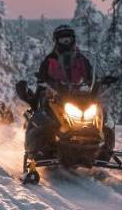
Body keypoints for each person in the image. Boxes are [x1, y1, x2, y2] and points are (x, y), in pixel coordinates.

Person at [16, 25, 97, 157]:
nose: (66, 43)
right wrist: (45, 82)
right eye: (62, 40)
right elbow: (42, 77)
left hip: (78, 96)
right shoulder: (50, 60)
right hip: (55, 96)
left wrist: (98, 83)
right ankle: (36, 149)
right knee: (43, 117)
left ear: (73, 40)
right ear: (57, 41)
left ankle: (103, 148)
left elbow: (90, 75)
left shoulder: (81, 60)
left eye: (68, 39)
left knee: (101, 117)